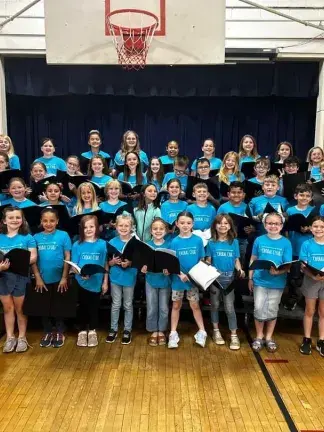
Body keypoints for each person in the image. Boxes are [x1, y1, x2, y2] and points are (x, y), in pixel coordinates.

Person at [249, 212, 292, 353]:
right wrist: (250, 277)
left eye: (276, 223)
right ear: (265, 224)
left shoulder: (286, 242)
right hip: (260, 280)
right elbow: (253, 259)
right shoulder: (259, 240)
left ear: (281, 225)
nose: (273, 226)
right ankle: (259, 336)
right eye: (270, 223)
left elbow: (288, 265)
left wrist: (278, 272)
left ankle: (269, 337)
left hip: (277, 282)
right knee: (259, 307)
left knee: (272, 309)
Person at [30, 208, 72, 348]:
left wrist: (64, 277)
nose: (49, 223)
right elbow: (33, 260)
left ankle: (59, 331)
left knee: (58, 306)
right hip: (42, 279)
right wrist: (38, 278)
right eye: (45, 221)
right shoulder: (35, 237)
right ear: (41, 222)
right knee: (44, 306)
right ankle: (47, 331)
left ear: (57, 221)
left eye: (52, 221)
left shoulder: (63, 235)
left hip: (60, 278)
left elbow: (67, 256)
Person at [0, 207, 37, 353]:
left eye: (18, 217)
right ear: (4, 220)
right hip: (3, 277)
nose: (15, 220)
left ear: (22, 220)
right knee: (7, 308)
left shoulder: (27, 237)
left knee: (20, 309)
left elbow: (33, 256)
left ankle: (22, 337)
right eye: (11, 218)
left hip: (20, 276)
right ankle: (10, 337)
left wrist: (21, 261)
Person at [169, 211, 207, 349]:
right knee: (176, 306)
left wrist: (191, 275)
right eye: (182, 223)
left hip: (192, 281)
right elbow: (172, 262)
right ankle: (173, 333)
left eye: (188, 223)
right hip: (178, 280)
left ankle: (202, 331)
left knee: (195, 305)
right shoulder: (174, 241)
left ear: (193, 224)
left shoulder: (197, 240)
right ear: (177, 224)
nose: (185, 225)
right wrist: (180, 274)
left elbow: (201, 260)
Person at [206, 214, 245, 350]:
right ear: (215, 226)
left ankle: (233, 334)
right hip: (215, 279)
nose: (223, 226)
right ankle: (216, 331)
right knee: (215, 305)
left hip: (229, 279)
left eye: (226, 223)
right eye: (220, 223)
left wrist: (240, 269)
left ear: (230, 226)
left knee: (229, 307)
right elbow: (209, 261)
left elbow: (236, 260)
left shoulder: (234, 242)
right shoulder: (211, 242)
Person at [71, 215, 108, 347]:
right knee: (82, 307)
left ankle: (92, 331)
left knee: (93, 307)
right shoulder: (77, 244)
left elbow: (105, 264)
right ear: (81, 229)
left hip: (96, 282)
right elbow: (73, 264)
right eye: (85, 227)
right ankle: (81, 331)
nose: (88, 229)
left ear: (97, 228)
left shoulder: (103, 244)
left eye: (91, 226)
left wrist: (105, 282)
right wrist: (80, 273)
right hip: (81, 281)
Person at [106, 214, 137, 345]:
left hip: (129, 277)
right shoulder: (112, 242)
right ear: (116, 227)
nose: (123, 228)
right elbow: (107, 261)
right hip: (115, 277)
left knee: (128, 304)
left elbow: (139, 261)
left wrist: (129, 263)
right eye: (120, 225)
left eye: (126, 225)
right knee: (116, 304)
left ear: (131, 227)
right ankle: (113, 328)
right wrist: (112, 262)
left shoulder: (135, 242)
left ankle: (127, 329)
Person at [141, 218, 171, 346]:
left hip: (165, 280)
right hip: (151, 280)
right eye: (155, 229)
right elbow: (142, 263)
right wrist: (143, 268)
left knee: (164, 307)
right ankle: (153, 330)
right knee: (152, 307)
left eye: (161, 228)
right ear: (151, 231)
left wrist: (168, 270)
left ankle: (162, 330)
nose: (158, 231)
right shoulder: (146, 245)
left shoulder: (169, 245)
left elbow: (173, 263)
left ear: (166, 230)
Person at [285, 184, 315, 311]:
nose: (304, 198)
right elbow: (286, 229)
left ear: (311, 198)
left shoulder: (314, 210)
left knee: (307, 275)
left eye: (307, 196)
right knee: (294, 276)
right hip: (294, 246)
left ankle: (304, 298)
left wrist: (309, 230)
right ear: (295, 196)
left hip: (309, 248)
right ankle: (293, 296)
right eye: (301, 195)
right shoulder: (290, 210)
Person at [299, 216, 324, 357]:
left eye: (322, 227)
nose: (319, 229)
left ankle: (322, 340)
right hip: (311, 279)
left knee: (323, 312)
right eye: (315, 226)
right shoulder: (306, 244)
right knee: (310, 310)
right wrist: (313, 275)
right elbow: (303, 265)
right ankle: (307, 339)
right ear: (310, 228)